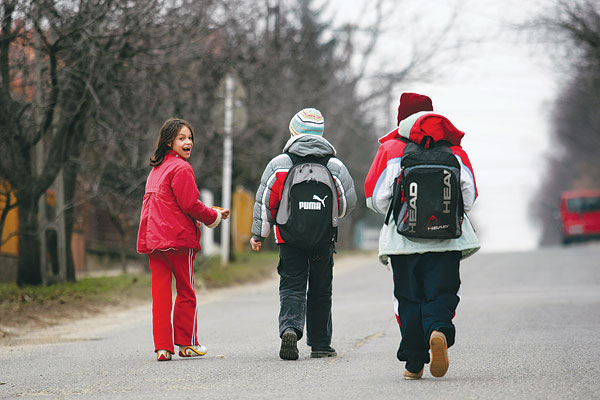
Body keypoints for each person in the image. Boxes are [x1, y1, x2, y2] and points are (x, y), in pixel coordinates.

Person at [364, 93, 480, 379]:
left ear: (401, 118)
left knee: (408, 298)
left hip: (403, 242)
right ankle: (438, 330)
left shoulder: (391, 149)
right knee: (442, 292)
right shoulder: (453, 150)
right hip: (447, 239)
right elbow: (470, 195)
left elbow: (376, 197)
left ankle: (414, 363)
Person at [250, 108, 357, 360]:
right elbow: (346, 204)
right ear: (321, 133)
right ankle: (320, 344)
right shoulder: (334, 165)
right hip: (322, 239)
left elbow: (265, 203)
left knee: (292, 285)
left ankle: (290, 328)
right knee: (321, 289)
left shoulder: (279, 164)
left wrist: (259, 234)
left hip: (289, 238)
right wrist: (330, 218)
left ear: (293, 132)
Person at [137, 118, 230, 362]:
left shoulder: (156, 170)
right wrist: (214, 217)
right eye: (182, 138)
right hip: (178, 240)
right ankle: (187, 344)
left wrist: (209, 212)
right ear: (169, 141)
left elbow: (171, 204)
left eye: (190, 138)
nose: (188, 142)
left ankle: (163, 348)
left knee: (160, 295)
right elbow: (189, 205)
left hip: (154, 241)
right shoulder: (181, 169)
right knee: (186, 291)